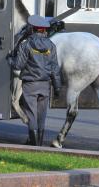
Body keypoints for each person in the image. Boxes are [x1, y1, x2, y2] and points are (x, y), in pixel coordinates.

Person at [7, 15, 62, 146]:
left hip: (30, 85)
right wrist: (58, 87)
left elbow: (17, 65)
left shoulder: (26, 45)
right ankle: (40, 145)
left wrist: (9, 58)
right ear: (43, 30)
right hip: (45, 85)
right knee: (42, 116)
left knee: (32, 115)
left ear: (33, 29)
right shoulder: (51, 46)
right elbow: (55, 68)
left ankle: (34, 146)